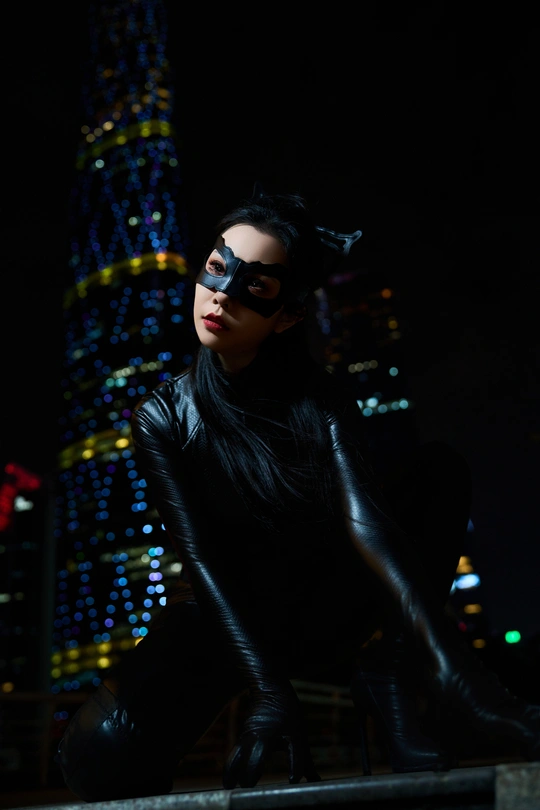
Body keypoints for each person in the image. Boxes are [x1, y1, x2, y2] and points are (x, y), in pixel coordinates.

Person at [57, 189, 540, 802]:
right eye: (217, 267)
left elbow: (367, 524)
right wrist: (268, 689)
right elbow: (202, 559)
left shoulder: (321, 400)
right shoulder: (162, 416)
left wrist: (457, 671)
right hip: (224, 623)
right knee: (97, 762)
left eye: (255, 287)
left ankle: (389, 680)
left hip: (317, 604)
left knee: (439, 473)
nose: (222, 296)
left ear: (286, 316)